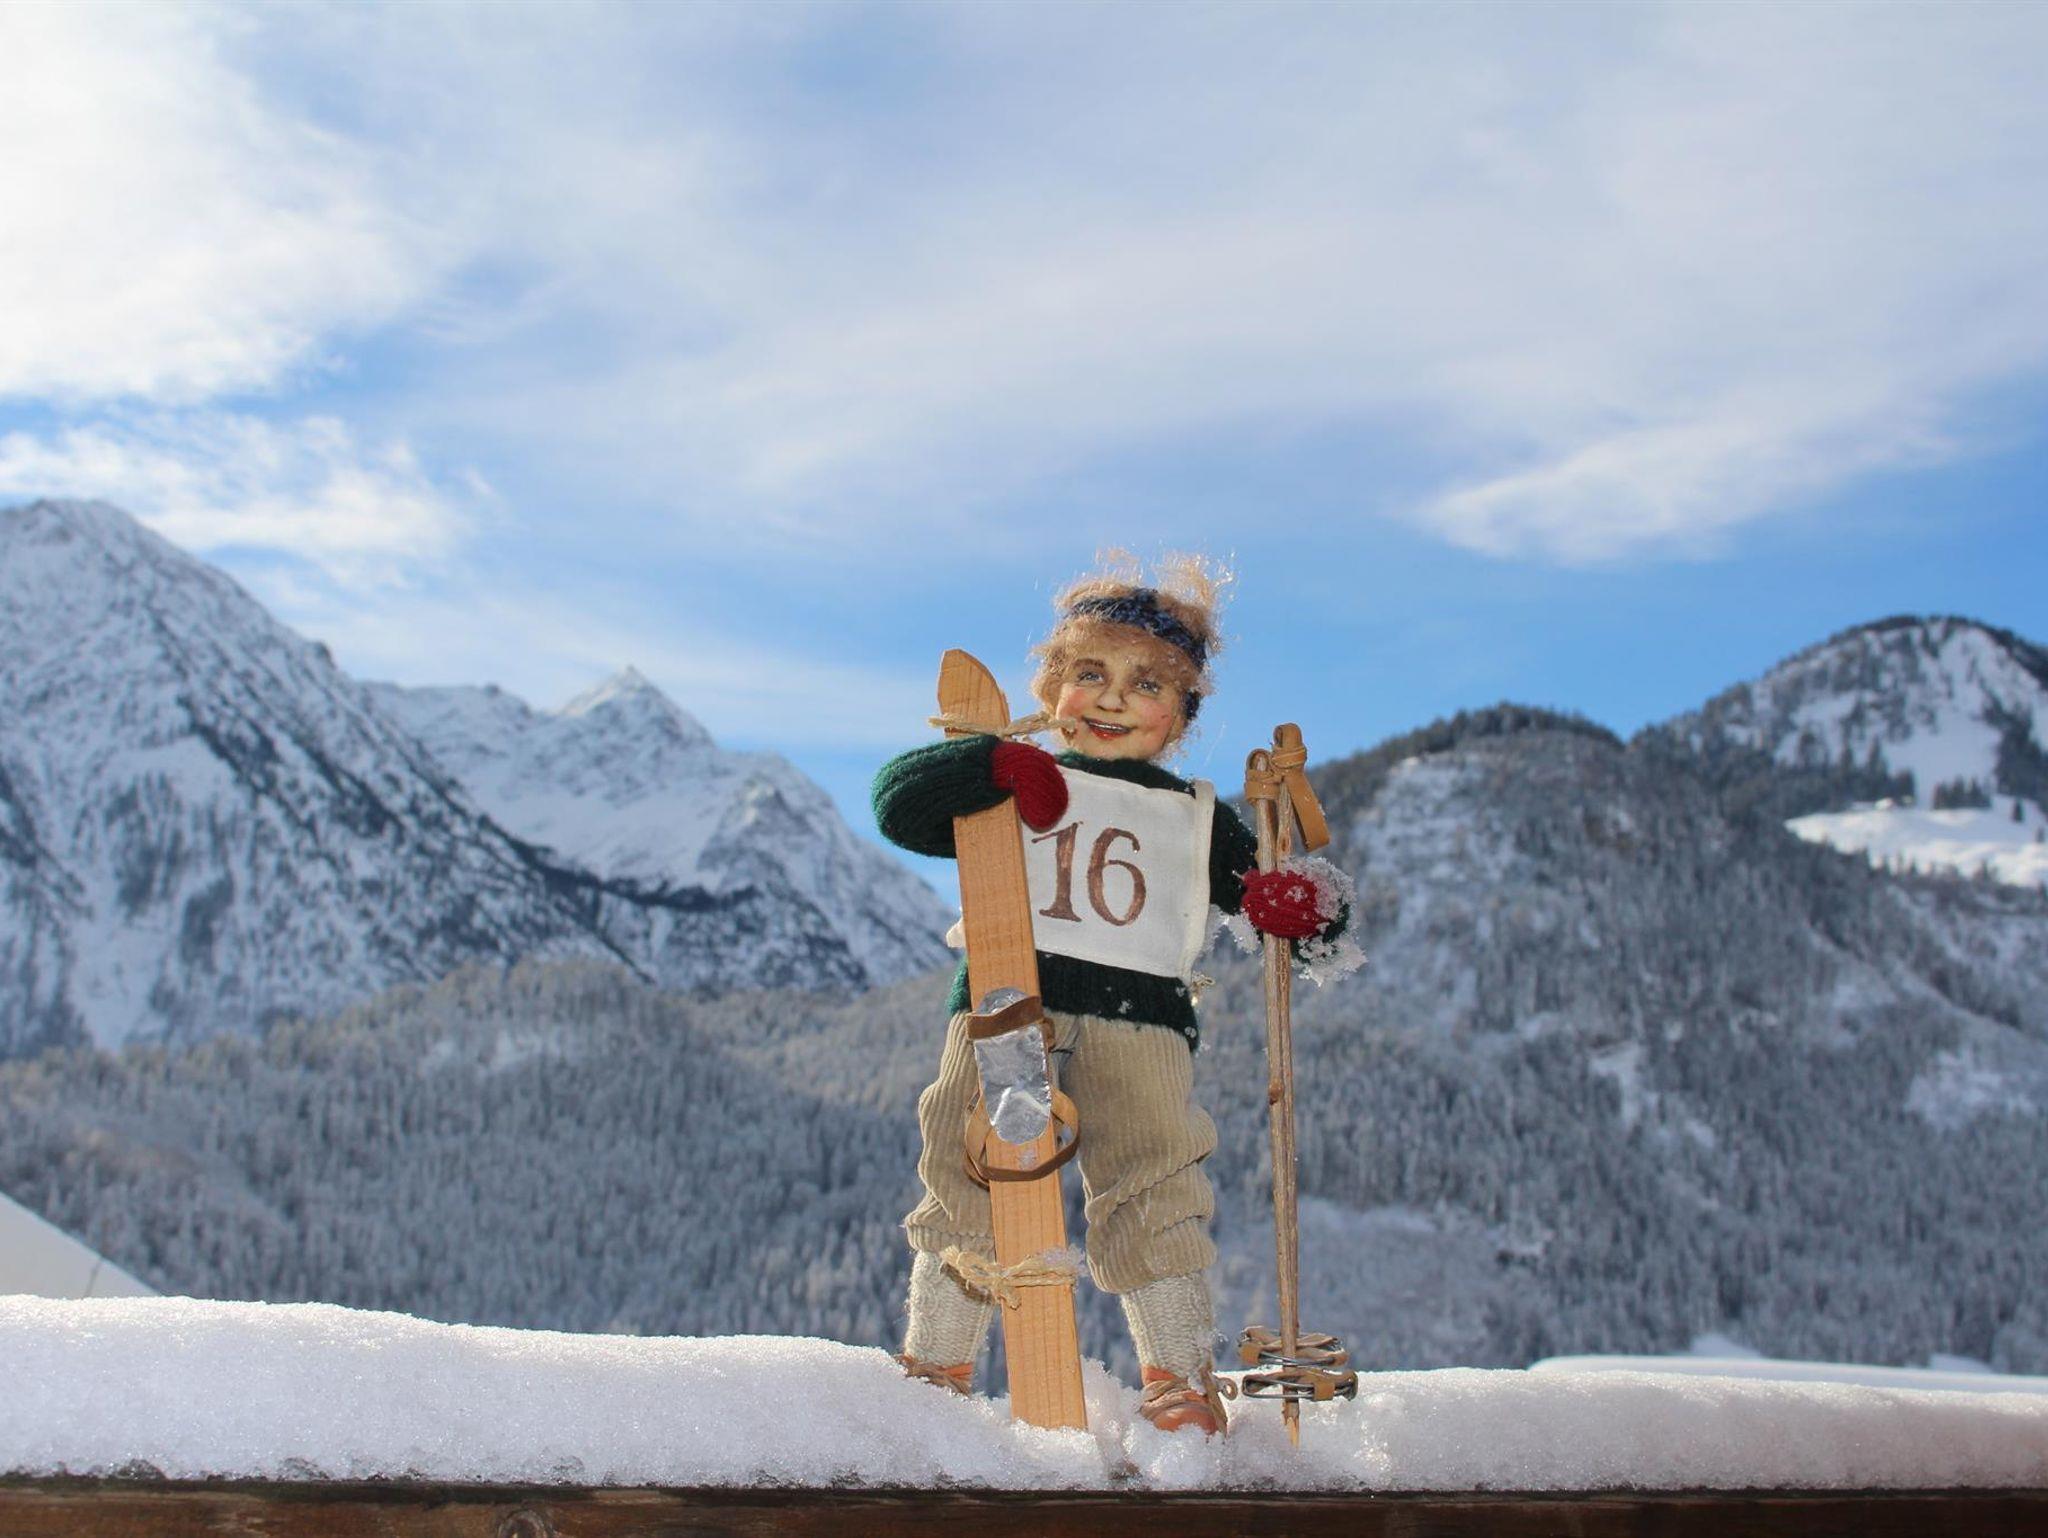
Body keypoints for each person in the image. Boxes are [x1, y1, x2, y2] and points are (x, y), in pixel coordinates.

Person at [871, 554, 1350, 1435]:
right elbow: (900, 803)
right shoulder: (1011, 774)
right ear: (1051, 689)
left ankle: (1178, 1374)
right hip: (1009, 1001)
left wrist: (1298, 906)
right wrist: (989, 769)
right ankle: (937, 1363)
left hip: (1145, 1023)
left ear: (1182, 717)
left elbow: (1287, 908)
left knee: (1154, 1179)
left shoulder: (1194, 816)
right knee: (971, 1170)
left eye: (1147, 684)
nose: (1114, 698)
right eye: (1089, 672)